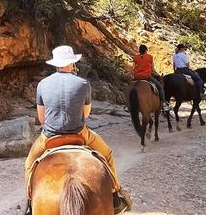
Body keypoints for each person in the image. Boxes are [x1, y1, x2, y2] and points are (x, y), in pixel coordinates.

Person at [24, 45, 132, 215]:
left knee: (30, 163)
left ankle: (30, 203)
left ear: (56, 64)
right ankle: (116, 195)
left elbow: (42, 119)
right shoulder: (83, 83)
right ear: (72, 63)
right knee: (108, 154)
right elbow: (86, 114)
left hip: (50, 136)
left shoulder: (43, 84)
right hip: (80, 134)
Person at [133, 44, 167, 109]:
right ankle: (164, 104)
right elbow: (152, 69)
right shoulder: (150, 57)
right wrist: (154, 74)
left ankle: (128, 105)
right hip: (147, 77)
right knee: (160, 87)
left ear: (139, 51)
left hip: (136, 78)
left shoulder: (135, 57)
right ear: (146, 50)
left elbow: (133, 67)